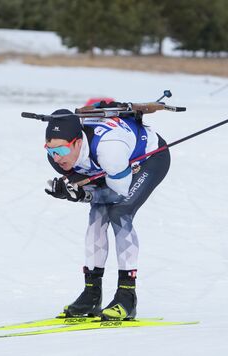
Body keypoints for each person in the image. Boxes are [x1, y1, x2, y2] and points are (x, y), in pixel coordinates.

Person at [43, 107, 171, 320]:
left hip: (150, 159)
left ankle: (127, 297)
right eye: (50, 150)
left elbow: (117, 193)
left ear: (78, 142)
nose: (56, 158)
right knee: (97, 215)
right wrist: (75, 191)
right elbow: (92, 189)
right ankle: (92, 293)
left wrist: (81, 195)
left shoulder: (110, 151)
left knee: (120, 211)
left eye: (62, 151)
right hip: (113, 169)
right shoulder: (58, 158)